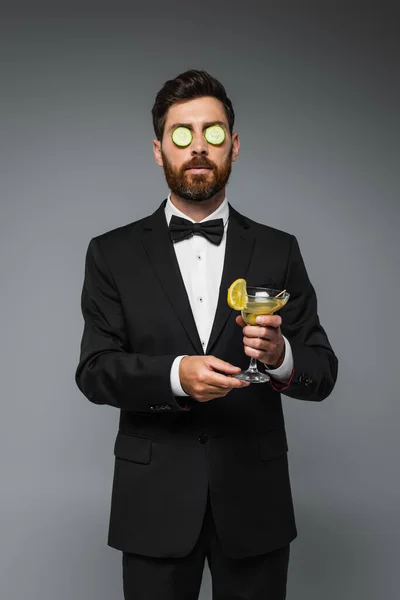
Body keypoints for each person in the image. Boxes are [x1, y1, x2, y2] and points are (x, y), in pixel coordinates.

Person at [75, 69, 338, 600]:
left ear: (234, 145)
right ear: (158, 150)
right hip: (152, 506)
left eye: (213, 133)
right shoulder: (111, 253)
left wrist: (283, 356)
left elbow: (323, 370)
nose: (199, 147)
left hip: (255, 504)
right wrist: (175, 376)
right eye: (182, 134)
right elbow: (95, 371)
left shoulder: (279, 249)